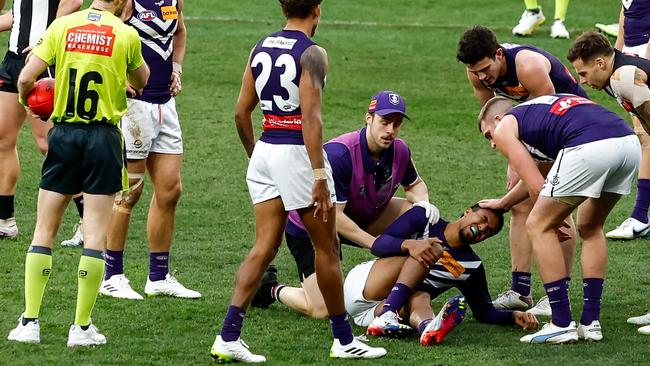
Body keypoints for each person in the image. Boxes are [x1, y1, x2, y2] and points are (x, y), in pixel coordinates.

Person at [209, 0, 386, 362]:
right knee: (327, 248)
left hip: (265, 151)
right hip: (297, 156)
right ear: (317, 10)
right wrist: (319, 174)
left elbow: (241, 111)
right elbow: (311, 117)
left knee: (263, 248)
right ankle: (343, 340)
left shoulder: (261, 45)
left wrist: (255, 155)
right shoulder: (313, 53)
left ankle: (228, 336)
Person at [7, 0, 149, 347]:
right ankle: (82, 328)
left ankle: (29, 322)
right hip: (103, 139)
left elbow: (26, 76)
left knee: (43, 229)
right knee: (96, 233)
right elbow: (142, 80)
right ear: (120, 3)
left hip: (64, 136)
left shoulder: (63, 26)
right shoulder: (125, 34)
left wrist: (29, 102)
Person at [251, 90, 435, 319]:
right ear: (369, 118)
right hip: (315, 225)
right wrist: (374, 243)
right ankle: (269, 288)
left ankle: (401, 283)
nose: (390, 131)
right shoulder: (340, 155)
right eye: (384, 122)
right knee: (324, 309)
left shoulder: (399, 150)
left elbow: (415, 186)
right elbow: (334, 216)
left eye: (396, 124)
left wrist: (425, 205)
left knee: (417, 213)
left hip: (360, 214)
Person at [478, 95, 640, 344]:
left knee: (537, 225)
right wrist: (504, 203)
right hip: (628, 144)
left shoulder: (505, 127)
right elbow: (542, 171)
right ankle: (591, 321)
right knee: (591, 227)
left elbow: (536, 186)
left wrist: (556, 221)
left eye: (488, 134)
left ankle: (561, 322)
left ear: (497, 120)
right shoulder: (539, 116)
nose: (492, 143)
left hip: (589, 147)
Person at [456, 25, 585, 314]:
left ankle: (557, 295)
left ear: (499, 54)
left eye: (486, 69)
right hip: (535, 130)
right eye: (475, 71)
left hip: (571, 129)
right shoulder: (476, 73)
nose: (481, 77)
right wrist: (514, 162)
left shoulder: (528, 66)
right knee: (520, 203)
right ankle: (520, 291)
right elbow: (496, 120)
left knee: (555, 205)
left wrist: (525, 165)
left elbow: (547, 121)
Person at [81, 0, 198, 300]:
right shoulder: (125, 2)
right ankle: (112, 275)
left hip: (165, 106)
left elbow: (180, 32)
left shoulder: (173, 1)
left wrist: (177, 69)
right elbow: (98, 36)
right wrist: (116, 79)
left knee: (171, 190)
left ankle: (158, 277)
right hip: (134, 109)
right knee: (129, 193)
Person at [345, 204, 539, 346]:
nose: (482, 229)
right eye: (483, 220)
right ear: (467, 211)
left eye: (488, 232)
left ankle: (428, 328)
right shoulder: (426, 218)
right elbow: (378, 245)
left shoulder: (471, 267)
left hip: (369, 314)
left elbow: (484, 312)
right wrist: (410, 245)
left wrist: (514, 316)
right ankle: (389, 313)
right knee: (430, 248)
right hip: (364, 284)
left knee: (422, 296)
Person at [567, 29, 650, 336]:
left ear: (601, 62)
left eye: (584, 72)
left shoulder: (623, 77)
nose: (583, 80)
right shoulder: (620, 74)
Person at [0, 0, 83, 238]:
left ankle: (89, 220)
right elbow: (19, 13)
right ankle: (5, 220)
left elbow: (74, 2)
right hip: (13, 60)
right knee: (2, 139)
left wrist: (44, 40)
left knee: (49, 143)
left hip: (41, 61)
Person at [600, 2, 650, 242]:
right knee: (644, 135)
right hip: (632, 50)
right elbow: (624, 16)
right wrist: (616, 55)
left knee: (646, 136)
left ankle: (640, 216)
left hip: (644, 50)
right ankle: (641, 216)